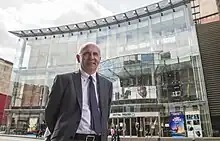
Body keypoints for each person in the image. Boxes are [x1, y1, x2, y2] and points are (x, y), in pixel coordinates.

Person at [45, 42, 113, 141]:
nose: (91, 57)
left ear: (99, 59)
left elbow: (105, 115)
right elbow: (50, 113)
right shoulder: (63, 81)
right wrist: (61, 134)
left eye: (95, 54)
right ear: (78, 58)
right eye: (87, 53)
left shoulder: (107, 85)